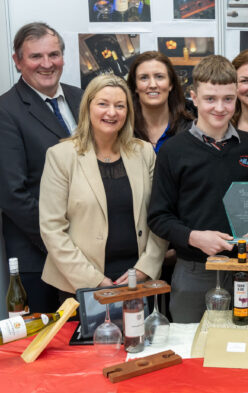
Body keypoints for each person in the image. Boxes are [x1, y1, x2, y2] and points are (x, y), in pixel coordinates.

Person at [147, 55, 248, 323]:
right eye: (210, 98)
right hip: (194, 272)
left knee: (243, 349)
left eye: (228, 99)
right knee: (191, 352)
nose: (220, 108)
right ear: (194, 97)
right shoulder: (174, 150)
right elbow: (158, 217)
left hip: (244, 269)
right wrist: (195, 237)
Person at [0, 22, 83, 312]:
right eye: (36, 57)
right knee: (47, 346)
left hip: (87, 253)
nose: (47, 64)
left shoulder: (81, 99)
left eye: (53, 55)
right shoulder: (4, 112)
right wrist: (60, 244)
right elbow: (11, 194)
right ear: (17, 61)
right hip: (39, 256)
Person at [39, 74, 168, 296]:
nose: (111, 112)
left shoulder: (144, 152)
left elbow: (161, 214)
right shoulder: (61, 156)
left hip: (137, 281)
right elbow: (52, 228)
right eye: (102, 104)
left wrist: (145, 268)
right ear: (87, 107)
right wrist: (94, 280)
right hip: (79, 283)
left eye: (120, 106)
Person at [126, 51, 193, 154]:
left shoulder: (194, 127)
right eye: (144, 78)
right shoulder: (123, 128)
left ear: (170, 84)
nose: (152, 85)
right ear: (135, 86)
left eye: (159, 77)